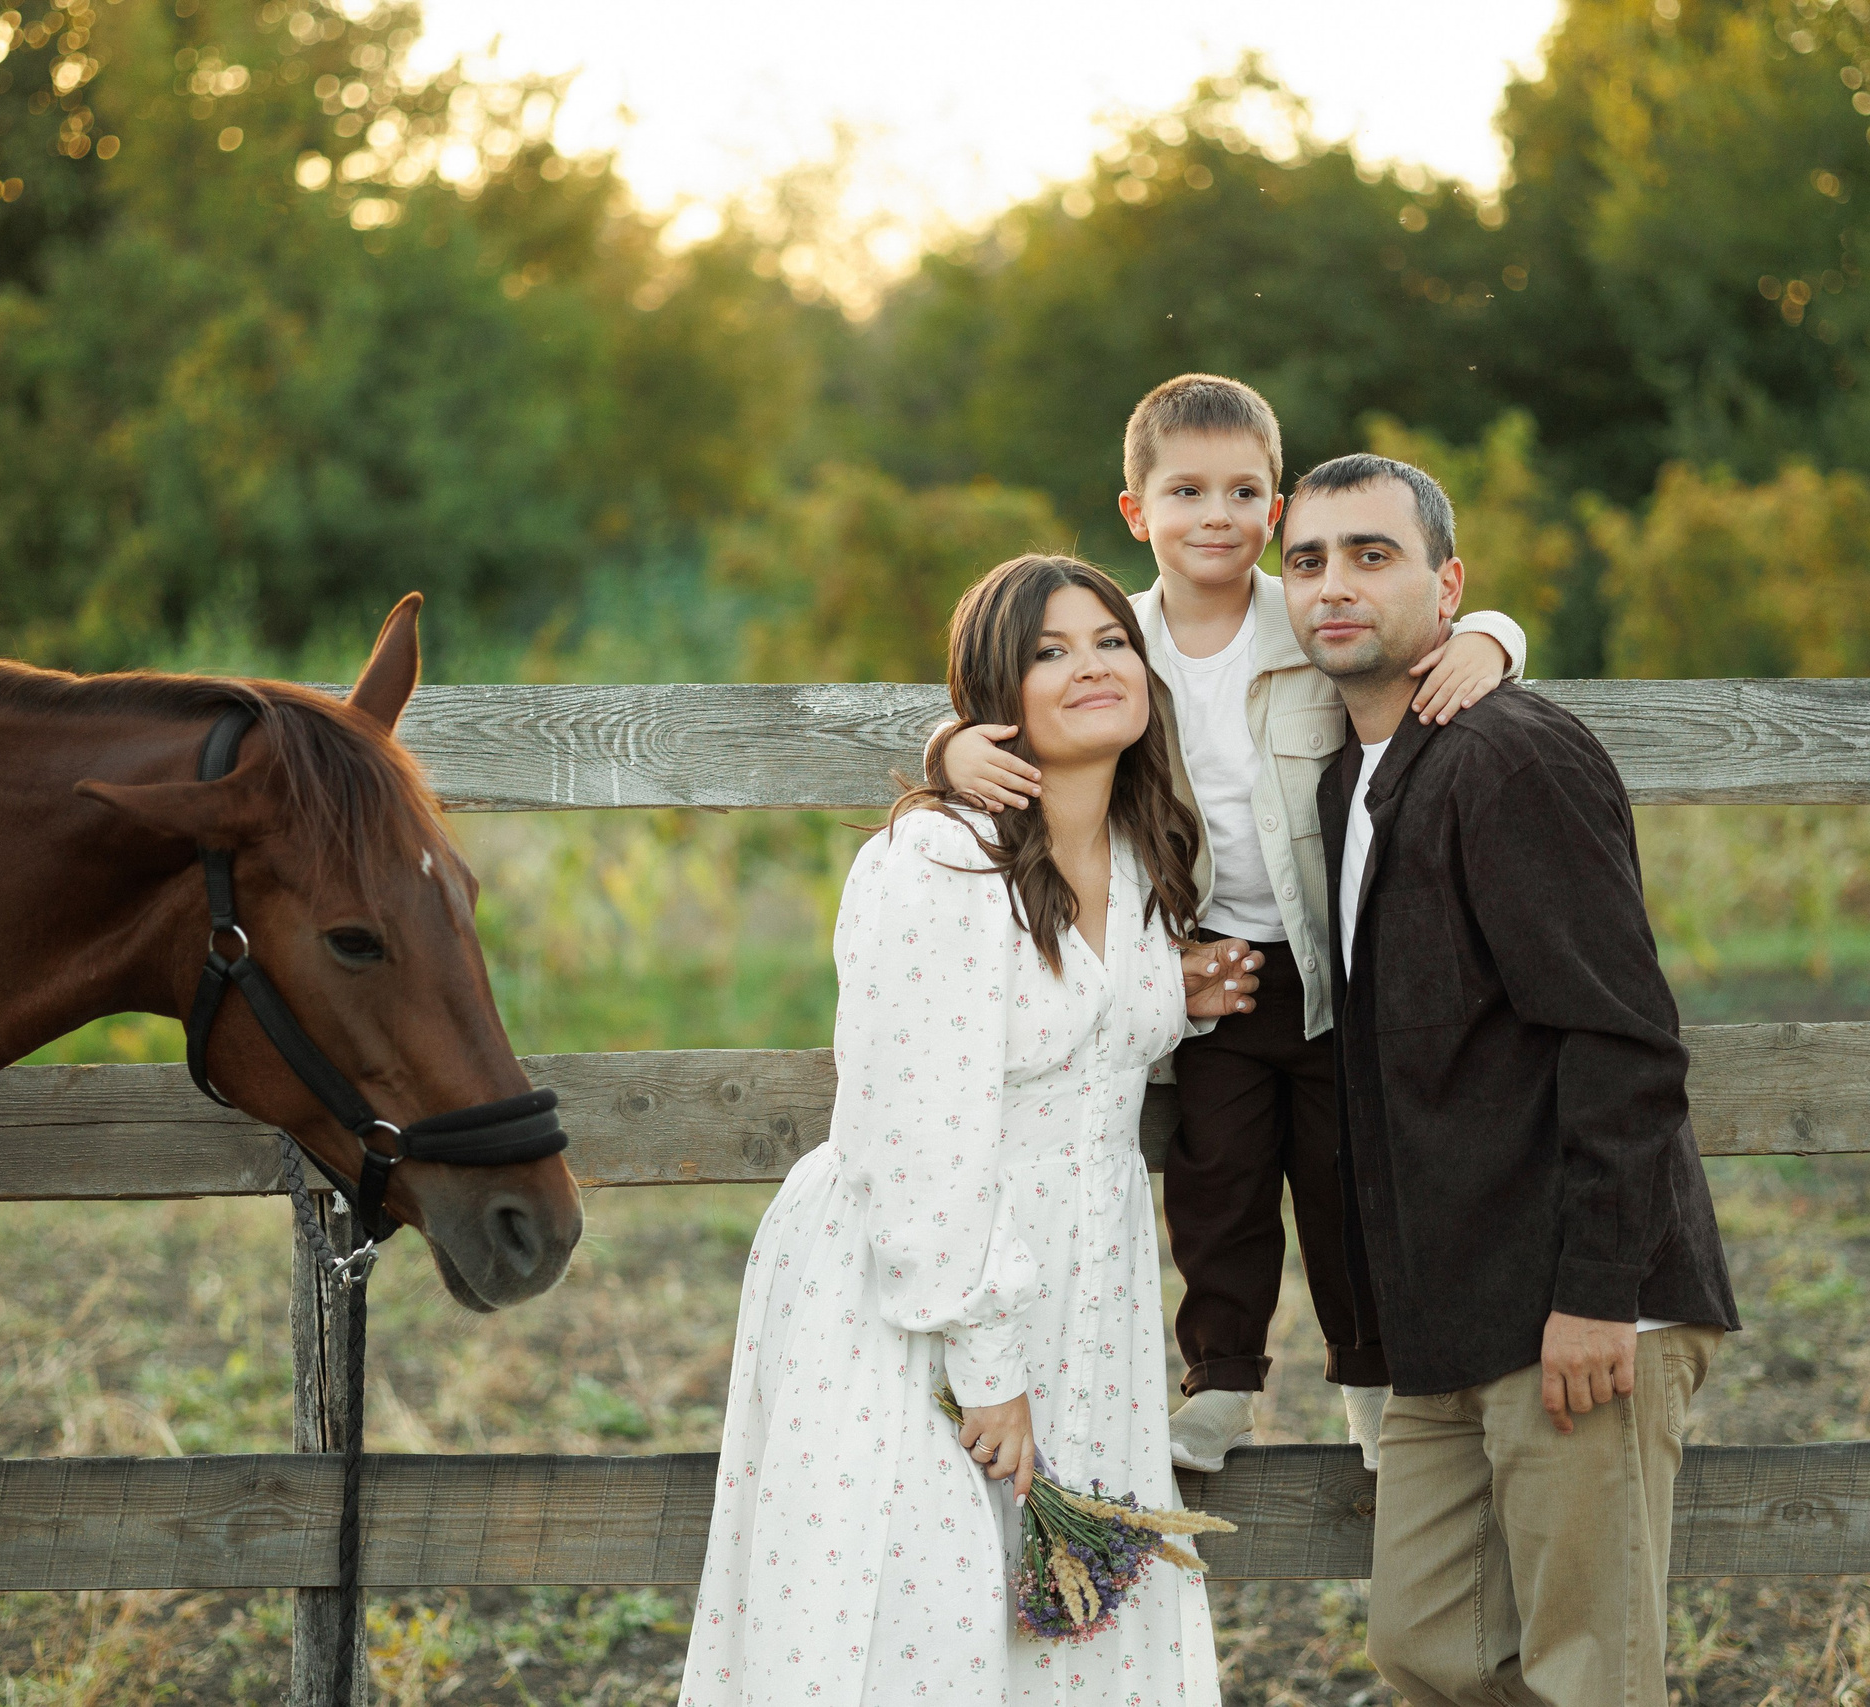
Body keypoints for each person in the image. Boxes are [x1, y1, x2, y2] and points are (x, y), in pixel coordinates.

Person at [681, 554, 1259, 1707]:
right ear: (996, 698)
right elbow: (912, 1134)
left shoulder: (1141, 855)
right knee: (920, 1619)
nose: (1091, 666)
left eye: (1110, 640)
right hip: (923, 1289)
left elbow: (1077, 1036)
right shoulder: (942, 861)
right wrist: (985, 1363)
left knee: (1060, 1630)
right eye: (1050, 652)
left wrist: (1173, 996)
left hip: (1085, 1295)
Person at [932, 374, 1528, 1473]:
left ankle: (1372, 1386)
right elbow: (1019, 685)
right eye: (1187, 491)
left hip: (1340, 957)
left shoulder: (1304, 614)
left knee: (1351, 1182)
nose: (1217, 515)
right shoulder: (1120, 638)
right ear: (1135, 510)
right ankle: (1222, 1384)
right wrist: (951, 742)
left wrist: (1492, 639)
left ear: (1277, 506)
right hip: (1205, 966)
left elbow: (1437, 613)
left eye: (1245, 492)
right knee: (1218, 1181)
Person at [1281, 452, 1739, 1707]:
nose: (1334, 585)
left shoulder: (1510, 756)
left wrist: (1597, 1294)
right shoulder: (1351, 779)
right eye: (1307, 561)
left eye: (1372, 555)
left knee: (1588, 1676)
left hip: (1573, 1308)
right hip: (1448, 1313)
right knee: (1426, 1649)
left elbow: (1623, 1041)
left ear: (1447, 585)